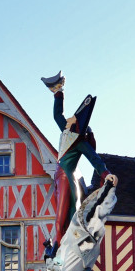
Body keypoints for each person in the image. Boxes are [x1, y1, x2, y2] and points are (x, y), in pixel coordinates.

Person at [41, 72, 117, 236]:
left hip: (66, 174)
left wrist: (106, 173)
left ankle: (61, 244)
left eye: (72, 118)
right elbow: (57, 115)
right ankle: (58, 245)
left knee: (69, 210)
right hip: (60, 174)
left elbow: (94, 158)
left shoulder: (78, 140)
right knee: (63, 210)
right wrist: (58, 92)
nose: (67, 119)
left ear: (77, 124)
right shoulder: (66, 132)